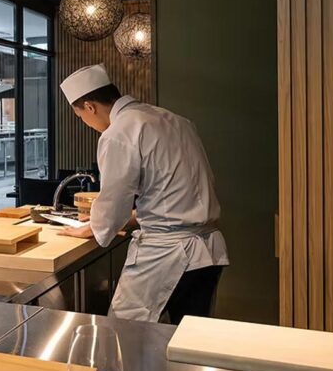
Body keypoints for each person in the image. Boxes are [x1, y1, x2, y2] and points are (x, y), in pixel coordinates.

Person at [59, 64, 228, 323]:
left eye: (81, 116)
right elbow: (176, 192)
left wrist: (96, 225)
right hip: (209, 251)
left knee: (124, 332)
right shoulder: (175, 120)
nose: (87, 123)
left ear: (90, 107)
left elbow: (114, 202)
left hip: (167, 254)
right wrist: (130, 218)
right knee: (189, 340)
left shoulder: (119, 132)